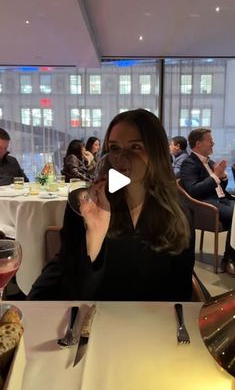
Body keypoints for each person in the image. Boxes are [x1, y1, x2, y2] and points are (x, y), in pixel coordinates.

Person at [28, 109, 195, 301]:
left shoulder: (178, 211)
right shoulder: (85, 205)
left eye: (136, 147)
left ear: (156, 152)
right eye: (115, 148)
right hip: (95, 320)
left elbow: (180, 293)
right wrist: (94, 238)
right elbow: (70, 288)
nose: (122, 158)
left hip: (154, 325)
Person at [180, 128, 235, 277]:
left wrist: (222, 178)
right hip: (205, 205)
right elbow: (193, 190)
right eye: (210, 140)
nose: (213, 143)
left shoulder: (209, 161)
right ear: (198, 143)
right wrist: (215, 177)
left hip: (221, 200)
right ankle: (229, 258)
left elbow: (219, 188)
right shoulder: (189, 163)